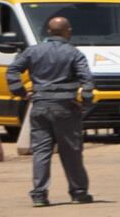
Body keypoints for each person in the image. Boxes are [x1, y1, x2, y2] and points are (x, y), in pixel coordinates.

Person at [19, 12, 94, 205]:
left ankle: (39, 195)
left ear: (49, 31)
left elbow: (13, 70)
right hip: (66, 109)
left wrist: (19, 91)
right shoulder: (74, 53)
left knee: (41, 152)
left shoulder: (33, 51)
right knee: (71, 152)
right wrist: (86, 102)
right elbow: (87, 81)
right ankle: (78, 192)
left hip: (40, 107)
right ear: (67, 32)